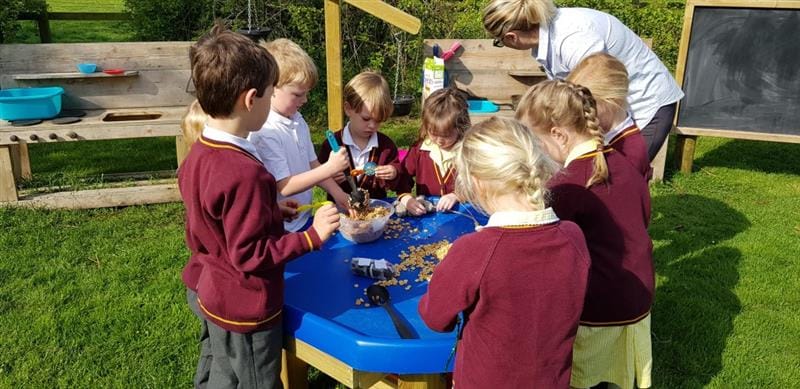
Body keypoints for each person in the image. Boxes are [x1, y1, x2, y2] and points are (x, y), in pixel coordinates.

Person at [179, 25, 340, 389]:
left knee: (224, 371)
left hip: (214, 292)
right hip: (247, 308)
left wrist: (268, 210)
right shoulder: (244, 172)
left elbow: (209, 221)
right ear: (252, 98)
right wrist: (313, 237)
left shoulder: (199, 154)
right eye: (270, 94)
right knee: (256, 380)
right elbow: (252, 255)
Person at [418, 117, 591, 388]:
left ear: (477, 183)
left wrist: (444, 276)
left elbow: (435, 318)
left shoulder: (474, 251)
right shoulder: (574, 238)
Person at [516, 80, 654, 389]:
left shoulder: (568, 187)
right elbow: (645, 217)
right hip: (638, 293)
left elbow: (548, 255)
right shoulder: (626, 164)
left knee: (588, 381)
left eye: (535, 143)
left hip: (599, 306)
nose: (535, 154)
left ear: (558, 135)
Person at [483, 0, 683, 160]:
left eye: (499, 42)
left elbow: (595, 95)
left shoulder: (573, 38)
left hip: (645, 104)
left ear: (511, 37)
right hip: (614, 108)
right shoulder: (550, 34)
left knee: (626, 178)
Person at [249, 38, 351, 232]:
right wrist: (330, 168)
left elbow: (312, 164)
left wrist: (338, 193)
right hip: (281, 226)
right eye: (297, 94)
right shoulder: (266, 131)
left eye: (307, 93)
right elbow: (285, 187)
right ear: (271, 88)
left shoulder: (297, 119)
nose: (304, 100)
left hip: (303, 218)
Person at [317, 71, 403, 201]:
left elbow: (397, 177)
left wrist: (393, 173)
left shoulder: (386, 146)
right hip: (341, 211)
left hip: (375, 212)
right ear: (348, 109)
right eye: (366, 118)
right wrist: (330, 177)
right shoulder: (332, 143)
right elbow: (319, 175)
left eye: (378, 121)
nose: (372, 126)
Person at [567, 53, 652, 180]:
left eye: (588, 105)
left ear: (613, 101)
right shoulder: (607, 136)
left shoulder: (630, 151)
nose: (581, 114)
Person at [396, 88, 470, 215]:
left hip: (461, 213)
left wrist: (457, 195)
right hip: (428, 215)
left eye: (446, 135)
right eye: (434, 134)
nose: (440, 141)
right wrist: (406, 198)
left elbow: (477, 183)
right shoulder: (419, 150)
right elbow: (403, 176)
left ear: (461, 128)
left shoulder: (468, 151)